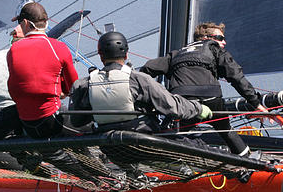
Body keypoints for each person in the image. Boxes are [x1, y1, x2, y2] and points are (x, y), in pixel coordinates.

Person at [141, 22, 266, 155]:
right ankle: (246, 161)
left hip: (182, 101)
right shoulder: (214, 48)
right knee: (226, 130)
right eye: (220, 38)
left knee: (169, 133)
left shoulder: (176, 54)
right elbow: (236, 76)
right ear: (207, 38)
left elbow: (147, 70)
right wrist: (256, 103)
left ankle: (170, 162)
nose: (224, 42)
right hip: (211, 98)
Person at [68, 31, 213, 132]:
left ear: (100, 55)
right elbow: (172, 106)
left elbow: (77, 121)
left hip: (110, 148)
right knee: (195, 144)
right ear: (126, 54)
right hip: (143, 144)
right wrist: (199, 109)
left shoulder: (82, 84)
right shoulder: (139, 79)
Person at [6, 1, 78, 139]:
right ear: (46, 22)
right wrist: (61, 92)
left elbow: (16, 88)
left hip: (26, 124)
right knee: (93, 128)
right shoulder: (59, 47)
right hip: (52, 120)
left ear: (26, 23)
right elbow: (73, 88)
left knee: (55, 153)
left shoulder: (13, 50)